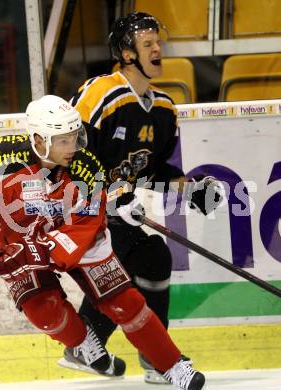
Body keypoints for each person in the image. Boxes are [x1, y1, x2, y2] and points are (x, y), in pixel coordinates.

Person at [0, 94, 206, 390]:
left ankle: (173, 365)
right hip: (20, 243)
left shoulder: (87, 169)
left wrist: (45, 249)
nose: (73, 148)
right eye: (63, 141)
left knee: (125, 303)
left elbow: (86, 223)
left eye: (75, 137)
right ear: (39, 140)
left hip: (77, 241)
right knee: (42, 309)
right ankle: (83, 343)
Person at [58, 12, 221, 384]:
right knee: (127, 246)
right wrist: (112, 195)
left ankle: (151, 356)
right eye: (147, 44)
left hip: (110, 215)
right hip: (72, 208)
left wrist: (189, 189)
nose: (158, 49)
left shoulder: (163, 109)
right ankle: (87, 342)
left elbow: (148, 171)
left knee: (155, 256)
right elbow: (70, 155)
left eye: (158, 42)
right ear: (127, 54)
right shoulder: (100, 93)